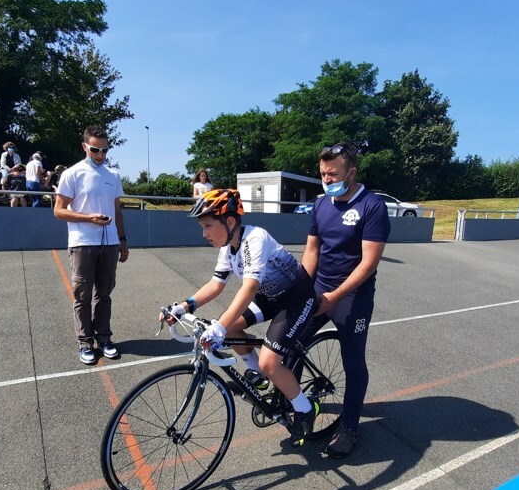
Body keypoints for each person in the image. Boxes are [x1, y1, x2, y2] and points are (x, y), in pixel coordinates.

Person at [161, 188, 319, 447]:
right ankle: (261, 376)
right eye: (203, 227)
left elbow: (250, 287)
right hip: (270, 297)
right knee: (232, 328)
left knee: (269, 361)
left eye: (208, 226)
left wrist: (219, 327)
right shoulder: (229, 247)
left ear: (230, 222)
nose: (204, 234)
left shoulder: (256, 238)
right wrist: (185, 306)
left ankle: (305, 408)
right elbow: (216, 284)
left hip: (296, 298)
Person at [300, 142, 390, 458]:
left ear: (352, 172)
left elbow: (369, 263)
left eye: (333, 174)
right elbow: (312, 250)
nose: (327, 179)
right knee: (291, 343)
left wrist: (335, 296)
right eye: (323, 174)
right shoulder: (320, 204)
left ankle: (349, 427)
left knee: (353, 361)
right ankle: (299, 409)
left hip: (353, 296)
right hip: (320, 288)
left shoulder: (372, 206)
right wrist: (302, 288)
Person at [54, 126, 129, 365]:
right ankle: (85, 343)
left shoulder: (113, 175)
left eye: (105, 150)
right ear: (84, 146)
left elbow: (117, 210)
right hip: (82, 243)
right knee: (82, 296)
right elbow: (58, 211)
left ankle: (104, 339)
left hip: (110, 243)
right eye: (95, 149)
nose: (100, 154)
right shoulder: (72, 174)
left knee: (104, 294)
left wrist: (123, 240)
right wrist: (89, 218)